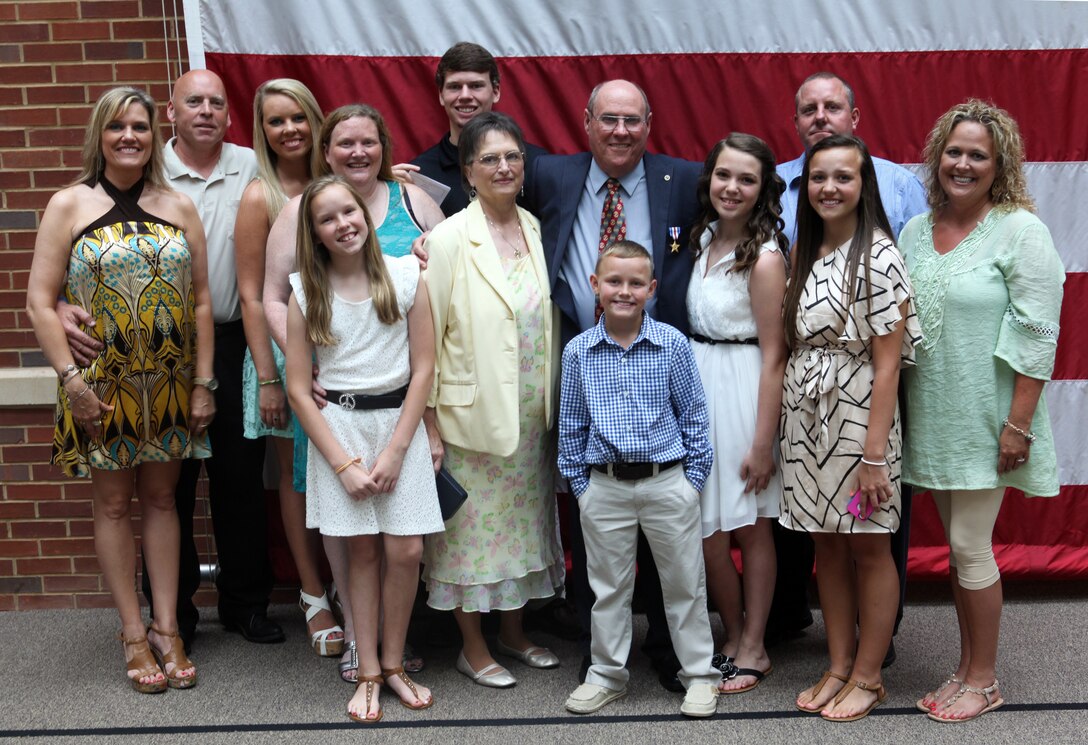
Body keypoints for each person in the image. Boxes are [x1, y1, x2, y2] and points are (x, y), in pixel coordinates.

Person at [55, 70, 282, 651]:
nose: (205, 111)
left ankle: (236, 609)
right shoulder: (89, 197)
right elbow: (53, 281)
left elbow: (312, 194)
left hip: (214, 349)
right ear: (172, 116)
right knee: (151, 496)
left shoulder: (251, 169)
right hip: (117, 366)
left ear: (230, 115)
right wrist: (62, 310)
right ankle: (159, 618)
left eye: (216, 102)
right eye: (193, 102)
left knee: (234, 482)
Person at [27, 86, 209, 692]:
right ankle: (132, 633)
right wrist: (70, 381)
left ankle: (167, 628)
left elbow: (203, 301)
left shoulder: (179, 204)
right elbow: (38, 301)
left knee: (161, 501)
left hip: (169, 380)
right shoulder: (68, 204)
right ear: (99, 136)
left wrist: (203, 384)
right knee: (111, 504)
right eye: (116, 127)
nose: (129, 136)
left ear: (156, 135)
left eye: (140, 126)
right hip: (99, 386)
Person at [523, 78, 702, 690]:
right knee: (596, 532)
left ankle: (669, 651)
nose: (620, 131)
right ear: (587, 122)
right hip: (583, 355)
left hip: (659, 360)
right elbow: (479, 176)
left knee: (664, 537)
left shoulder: (686, 179)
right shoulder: (547, 174)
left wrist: (693, 475)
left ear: (649, 124)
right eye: (609, 119)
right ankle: (602, 654)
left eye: (632, 120)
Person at [263, 103, 445, 680]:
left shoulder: (407, 243)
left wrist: (410, 438)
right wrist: (304, 362)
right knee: (357, 546)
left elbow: (425, 359)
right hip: (335, 414)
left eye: (369, 141)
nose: (344, 222)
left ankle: (390, 659)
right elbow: (274, 304)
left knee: (405, 548)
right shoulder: (303, 281)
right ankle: (367, 661)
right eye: (329, 217)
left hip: (399, 420)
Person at [900, 100, 1064, 723]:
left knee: (971, 546)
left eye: (978, 155)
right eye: (954, 151)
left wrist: (1017, 425)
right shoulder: (917, 230)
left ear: (999, 166)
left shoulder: (1021, 231)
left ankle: (986, 680)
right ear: (938, 155)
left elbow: (1037, 333)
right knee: (957, 547)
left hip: (990, 420)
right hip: (933, 418)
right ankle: (966, 670)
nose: (962, 164)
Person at [771, 71, 928, 653]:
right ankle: (837, 665)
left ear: (866, 184)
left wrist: (875, 456)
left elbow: (889, 366)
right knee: (826, 546)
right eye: (818, 177)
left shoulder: (882, 255)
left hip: (860, 423)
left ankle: (867, 673)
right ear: (803, 183)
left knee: (868, 544)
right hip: (808, 421)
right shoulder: (803, 251)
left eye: (844, 177)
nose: (829, 187)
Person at [421, 112, 565, 689]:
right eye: (489, 159)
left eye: (513, 157)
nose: (504, 167)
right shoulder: (450, 237)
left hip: (532, 416)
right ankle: (472, 645)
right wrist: (429, 424)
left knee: (525, 528)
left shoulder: (535, 226)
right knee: (471, 538)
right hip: (469, 417)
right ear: (468, 172)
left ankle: (513, 632)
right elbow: (427, 335)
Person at [558, 240, 721, 718]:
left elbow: (694, 418)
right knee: (607, 588)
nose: (623, 291)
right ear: (595, 285)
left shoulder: (672, 344)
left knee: (684, 584)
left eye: (634, 283)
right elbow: (570, 424)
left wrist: (691, 481)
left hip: (667, 482)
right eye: (613, 281)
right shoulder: (579, 352)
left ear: (651, 288)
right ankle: (607, 674)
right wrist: (583, 488)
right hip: (604, 484)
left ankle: (699, 676)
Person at [233, 79, 342, 659]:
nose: (291, 130)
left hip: (348, 359)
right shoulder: (260, 197)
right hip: (279, 358)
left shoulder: (343, 185)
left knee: (346, 473)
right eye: (276, 121)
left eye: (299, 117)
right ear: (263, 132)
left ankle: (352, 588)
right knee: (298, 479)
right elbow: (253, 297)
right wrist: (271, 378)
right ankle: (312, 594)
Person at [686, 134, 788, 693]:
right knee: (704, 531)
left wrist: (761, 442)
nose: (732, 187)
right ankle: (731, 631)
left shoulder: (766, 255)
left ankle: (754, 645)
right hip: (698, 385)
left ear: (761, 188)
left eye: (746, 179)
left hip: (747, 387)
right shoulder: (699, 239)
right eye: (725, 175)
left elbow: (775, 356)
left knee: (750, 527)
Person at [411, 42, 547, 217]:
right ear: (441, 95)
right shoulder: (420, 174)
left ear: (496, 91)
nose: (465, 96)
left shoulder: (537, 164)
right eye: (455, 87)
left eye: (476, 86)